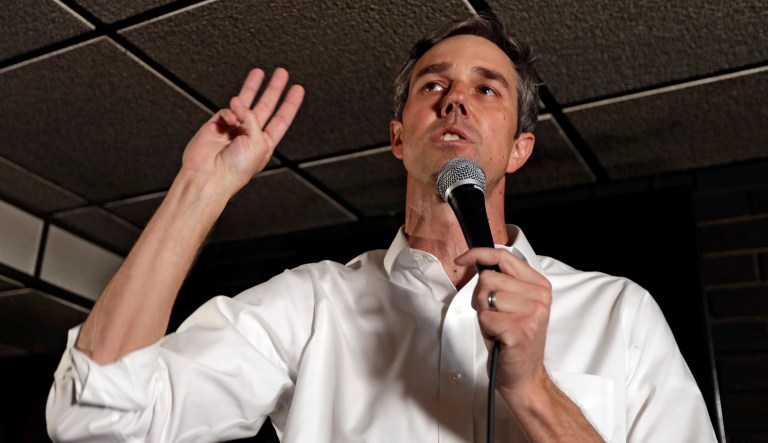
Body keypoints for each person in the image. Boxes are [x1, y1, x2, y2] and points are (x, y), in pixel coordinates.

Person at [46, 15, 717, 442]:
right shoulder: (311, 305)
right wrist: (199, 190)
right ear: (398, 138)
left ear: (518, 148)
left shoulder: (620, 312)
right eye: (433, 85)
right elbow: (93, 416)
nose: (454, 97)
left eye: (487, 89)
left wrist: (534, 392)